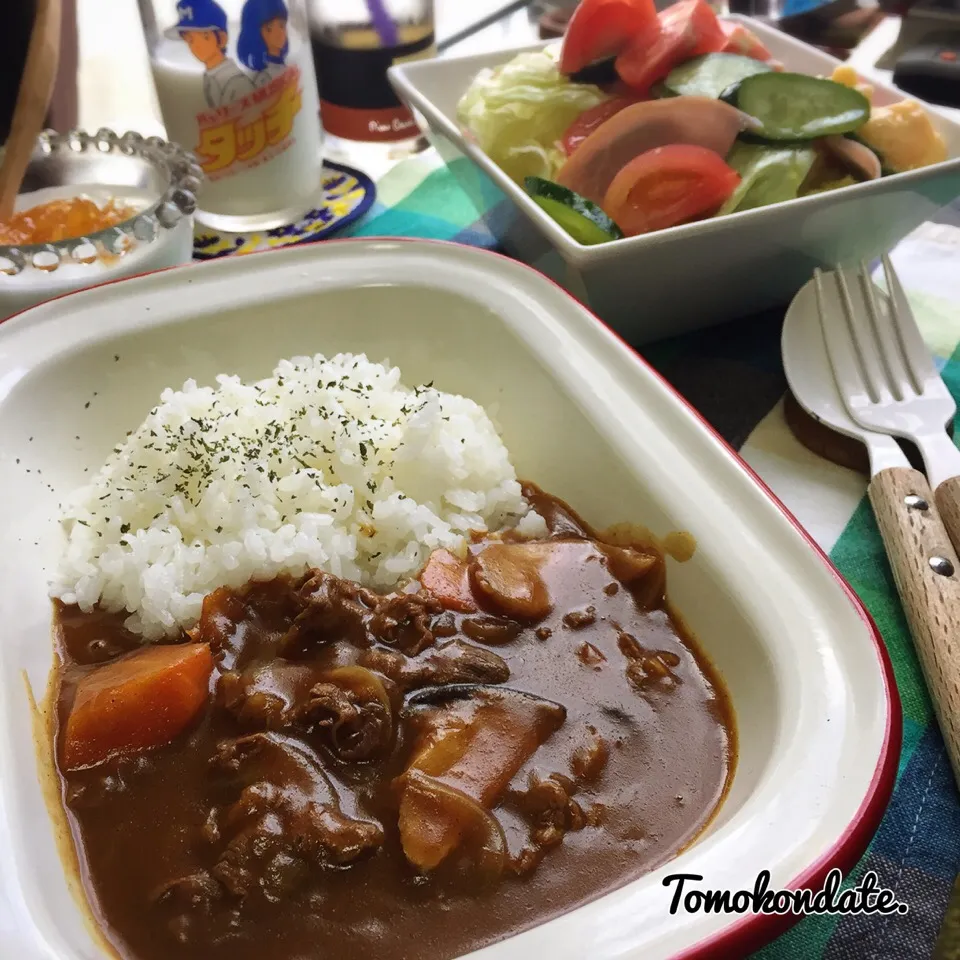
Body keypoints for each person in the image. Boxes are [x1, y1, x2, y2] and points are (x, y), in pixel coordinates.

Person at [165, 0, 255, 109]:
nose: (196, 46)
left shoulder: (237, 83)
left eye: (205, 37)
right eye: (190, 40)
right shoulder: (210, 78)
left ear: (222, 39)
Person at [237, 0, 290, 88]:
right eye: (269, 29)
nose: (278, 33)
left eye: (282, 26)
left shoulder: (288, 69)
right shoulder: (264, 78)